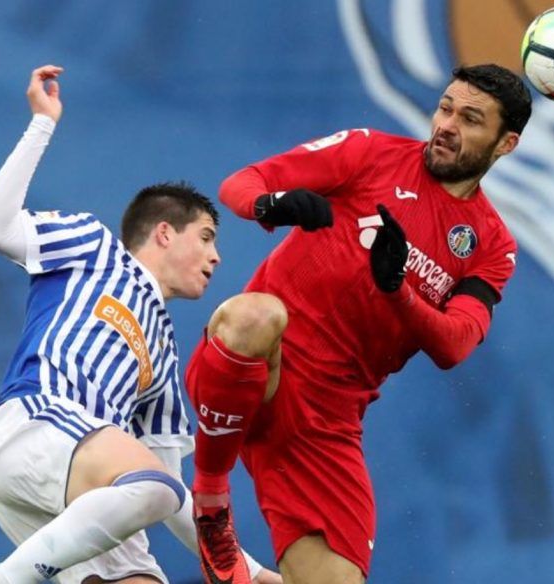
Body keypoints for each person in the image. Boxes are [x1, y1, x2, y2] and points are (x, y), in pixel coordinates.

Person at [185, 63, 532, 583]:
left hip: (327, 421)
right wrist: (271, 203)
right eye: (445, 108)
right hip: (257, 366)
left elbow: (455, 345)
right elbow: (242, 183)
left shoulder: (493, 245)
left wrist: (399, 292)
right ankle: (211, 499)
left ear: (505, 144)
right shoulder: (371, 153)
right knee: (255, 313)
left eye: (470, 119)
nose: (446, 125)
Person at [0, 65, 279, 584]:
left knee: (152, 529)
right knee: (154, 483)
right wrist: (41, 124)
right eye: (205, 237)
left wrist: (255, 572)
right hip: (32, 427)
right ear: (163, 233)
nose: (217, 257)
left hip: (81, 486)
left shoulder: (164, 352)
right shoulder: (95, 246)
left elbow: (171, 497)